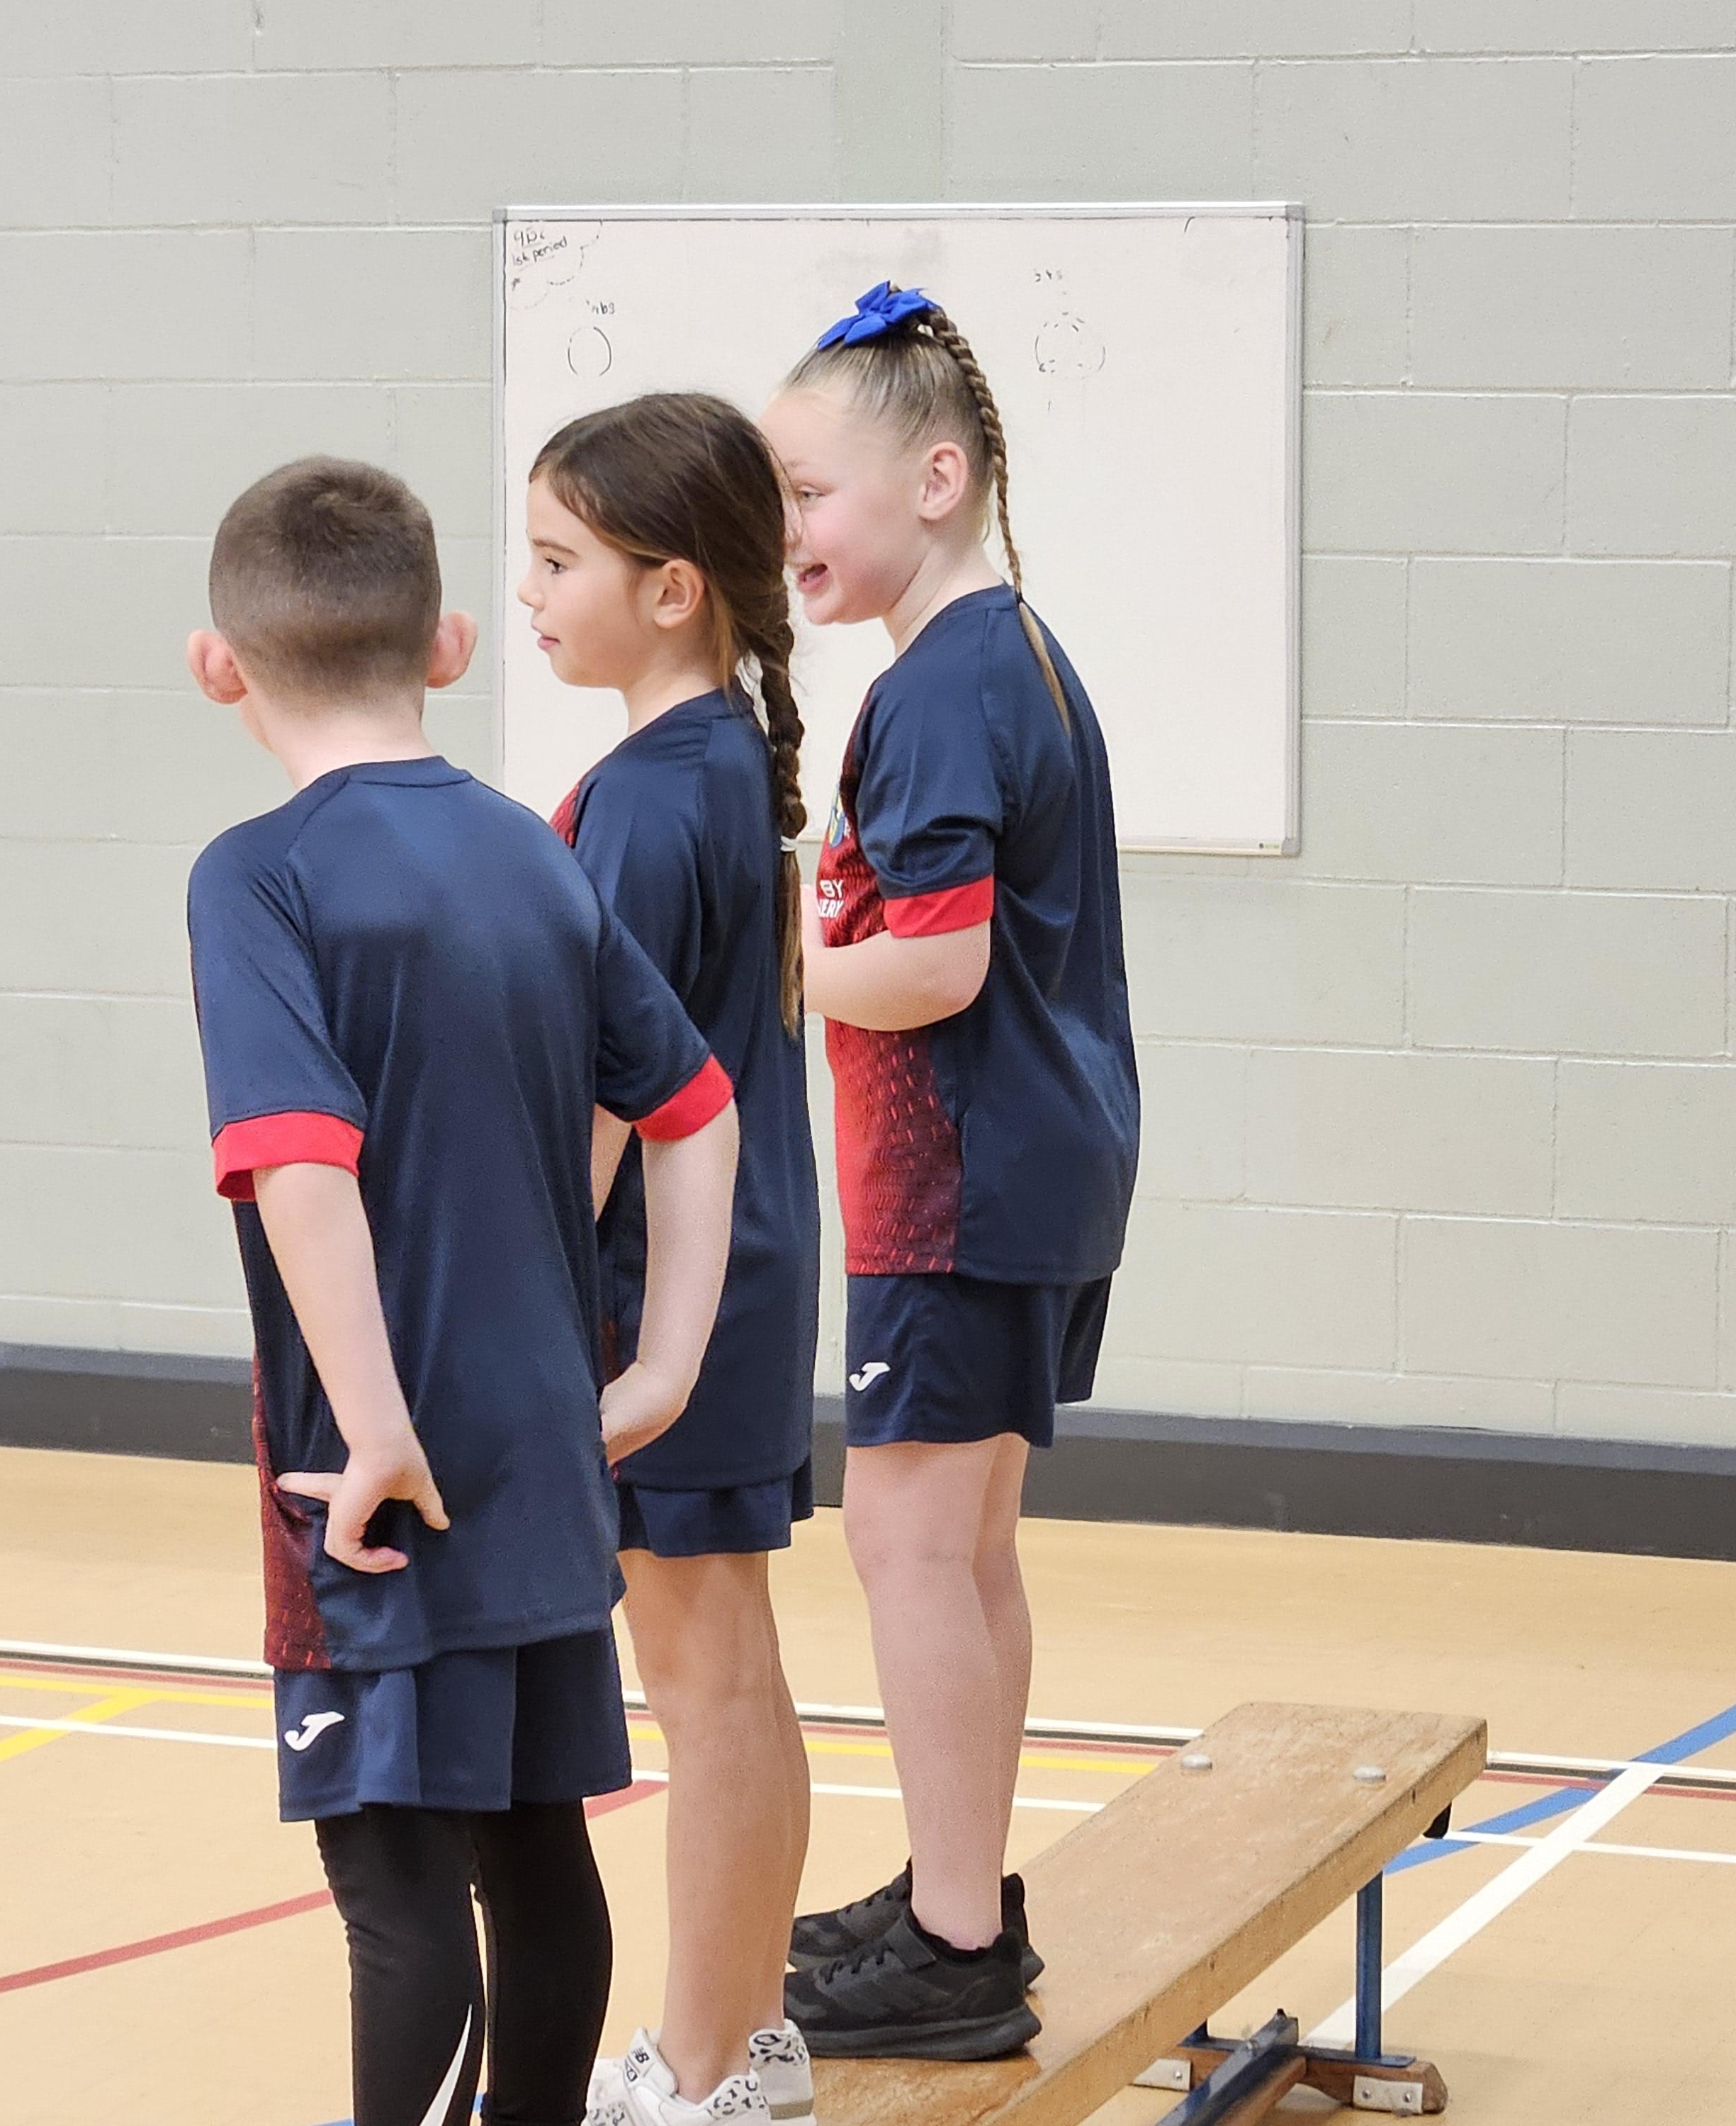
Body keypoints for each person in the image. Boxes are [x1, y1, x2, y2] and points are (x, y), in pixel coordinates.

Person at [183, 456, 743, 2126]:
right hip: (541, 1440)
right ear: (445, 645)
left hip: (382, 1477)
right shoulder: (534, 851)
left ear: (218, 666)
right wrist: (659, 1371)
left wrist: (370, 1432)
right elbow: (694, 1107)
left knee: (398, 1898)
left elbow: (300, 1163)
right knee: (535, 1859)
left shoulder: (254, 876)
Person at [760, 285, 1140, 2061]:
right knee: (966, 1544)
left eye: (804, 495)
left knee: (905, 1543)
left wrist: (770, 965)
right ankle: (954, 1893)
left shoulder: (940, 686)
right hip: (1037, 1170)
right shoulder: (1012, 655)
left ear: (933, 479)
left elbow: (932, 963)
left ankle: (955, 1947)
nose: (784, 532)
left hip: (961, 1182)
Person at [519, 392, 822, 2126]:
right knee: (737, 1675)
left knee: (702, 1690)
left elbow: (604, 1096)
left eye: (560, 559)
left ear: (672, 589)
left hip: (666, 1296)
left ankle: (702, 2070)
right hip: (746, 1274)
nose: (533, 591)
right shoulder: (705, 768)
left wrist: (524, 1286)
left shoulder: (653, 796)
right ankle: (747, 2041)